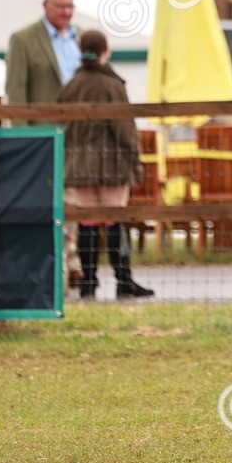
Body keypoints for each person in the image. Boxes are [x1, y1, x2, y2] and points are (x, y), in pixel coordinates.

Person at [59, 30, 153, 300]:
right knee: (115, 221)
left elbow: (62, 125)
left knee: (87, 222)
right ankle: (124, 280)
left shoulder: (71, 85)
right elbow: (124, 129)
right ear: (105, 50)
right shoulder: (112, 85)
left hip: (79, 165)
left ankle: (89, 284)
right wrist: (135, 161)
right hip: (112, 163)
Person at [7, 0, 84, 289]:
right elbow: (15, 94)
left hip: (78, 138)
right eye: (60, 6)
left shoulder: (79, 38)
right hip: (42, 140)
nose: (66, 12)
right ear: (46, 6)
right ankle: (59, 273)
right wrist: (24, 144)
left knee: (75, 204)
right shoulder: (24, 40)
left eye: (70, 7)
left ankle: (72, 261)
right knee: (50, 204)